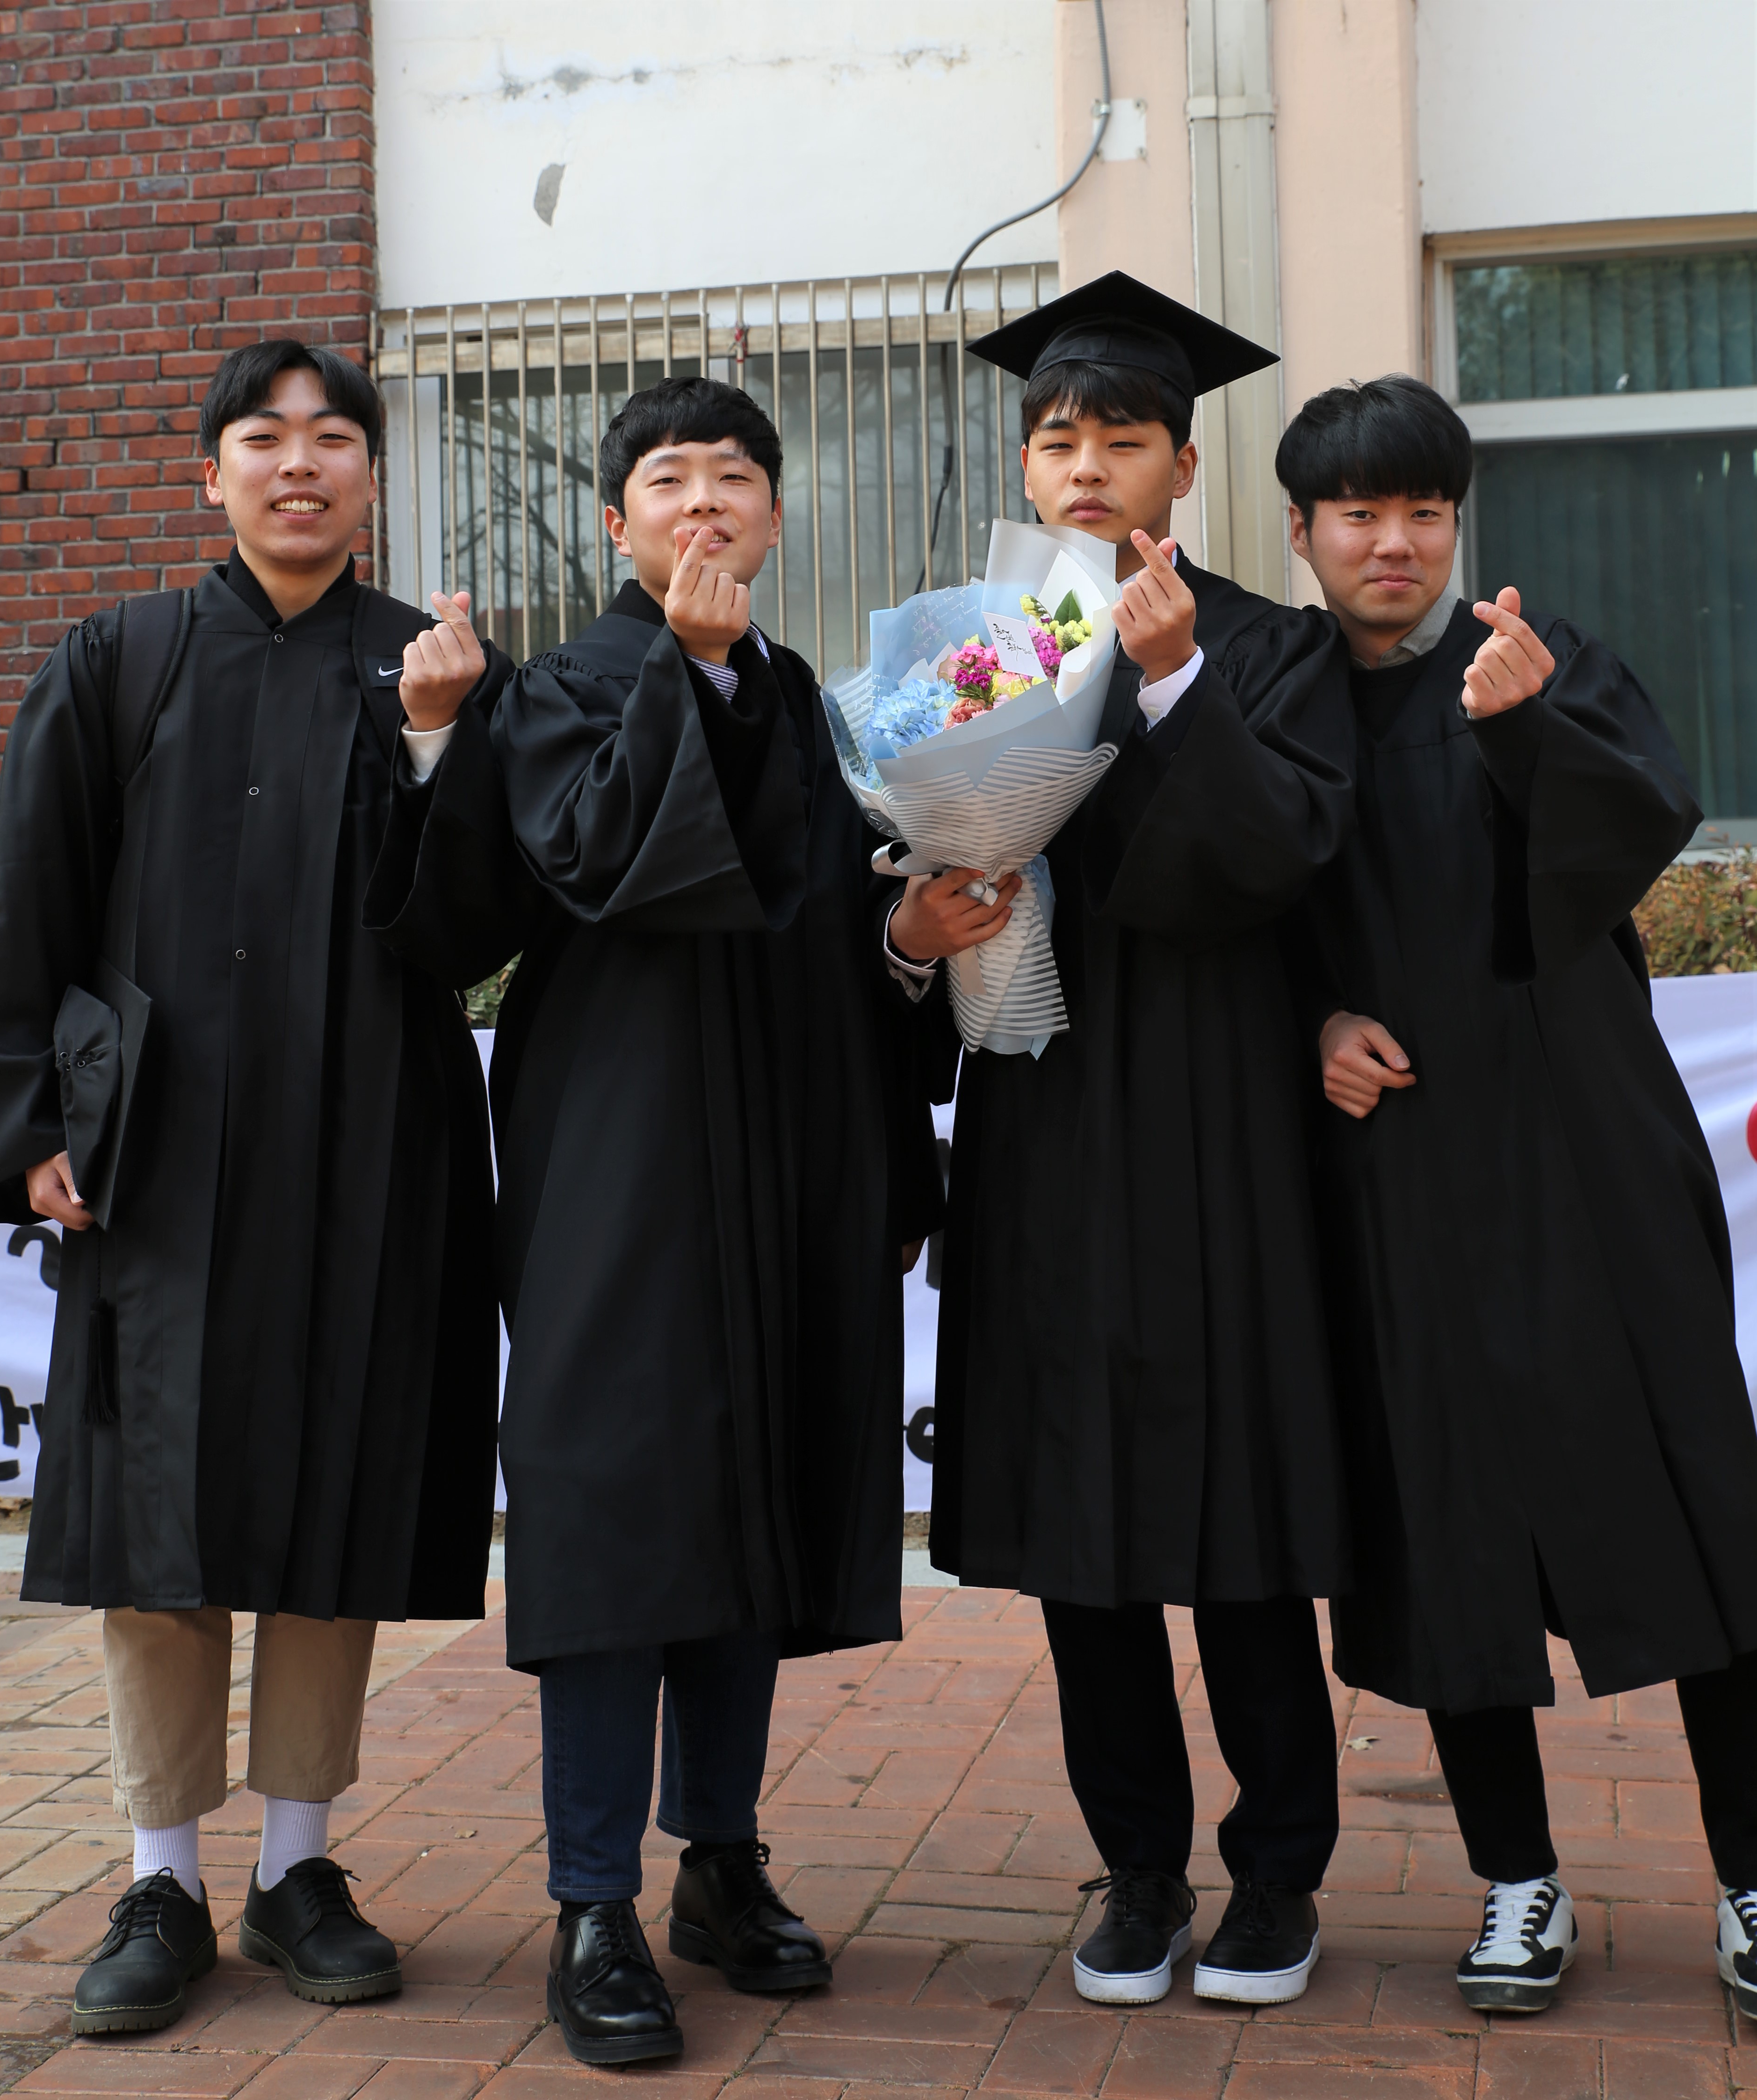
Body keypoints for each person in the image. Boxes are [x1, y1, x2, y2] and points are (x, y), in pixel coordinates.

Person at [365, 374, 944, 2066]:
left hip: (793, 1158)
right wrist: (684, 676)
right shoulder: (565, 687)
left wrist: (913, 942)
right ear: (618, 522)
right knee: (619, 1509)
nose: (707, 503)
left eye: (737, 476)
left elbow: (832, 939)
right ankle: (593, 1900)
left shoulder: (817, 703)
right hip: (620, 1166)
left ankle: (723, 1860)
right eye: (672, 479)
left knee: (753, 1496)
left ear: (775, 514)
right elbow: (605, 863)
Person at [0, 343, 515, 2035]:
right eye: (263, 438)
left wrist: (438, 742)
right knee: (162, 1513)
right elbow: (26, 903)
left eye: (333, 438)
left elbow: (478, 932)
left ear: (372, 479)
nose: (299, 463)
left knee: (334, 1499)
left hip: (371, 1150)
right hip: (162, 1160)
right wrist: (27, 1127)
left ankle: (295, 1866)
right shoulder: (119, 658)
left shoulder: (434, 669)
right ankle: (161, 1876)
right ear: (211, 474)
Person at [887, 273, 1354, 2009]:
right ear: (1028, 465)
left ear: (1184, 466)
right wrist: (922, 914)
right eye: (1057, 439)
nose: (1086, 468)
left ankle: (1279, 1870)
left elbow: (1289, 859)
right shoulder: (981, 653)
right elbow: (915, 866)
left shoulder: (1272, 646)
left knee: (1240, 1516)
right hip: (1051, 1115)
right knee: (1080, 1521)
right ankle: (1141, 1867)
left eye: (1124, 440)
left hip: (1225, 1127)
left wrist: (1175, 688)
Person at [1280, 371, 1757, 2017]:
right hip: (1403, 1171)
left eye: (1425, 510)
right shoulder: (1283, 702)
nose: (1396, 542)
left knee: (1691, 1496)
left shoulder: (1537, 657)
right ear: (1303, 531)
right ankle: (1516, 1878)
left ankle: (1753, 1874)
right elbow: (1245, 909)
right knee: (1442, 1522)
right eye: (1361, 513)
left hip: (1586, 1149)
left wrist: (1525, 728)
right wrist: (1312, 1022)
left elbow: (1635, 833)